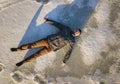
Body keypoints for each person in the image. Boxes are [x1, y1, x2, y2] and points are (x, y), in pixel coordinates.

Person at [10, 18, 81, 67]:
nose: (76, 32)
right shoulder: (67, 29)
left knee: (37, 55)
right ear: (75, 29)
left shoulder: (72, 40)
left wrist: (64, 61)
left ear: (77, 35)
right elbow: (58, 25)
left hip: (51, 48)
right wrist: (48, 21)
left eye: (78, 33)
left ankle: (23, 62)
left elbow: (69, 51)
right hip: (47, 40)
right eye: (77, 30)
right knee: (32, 45)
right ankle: (18, 49)